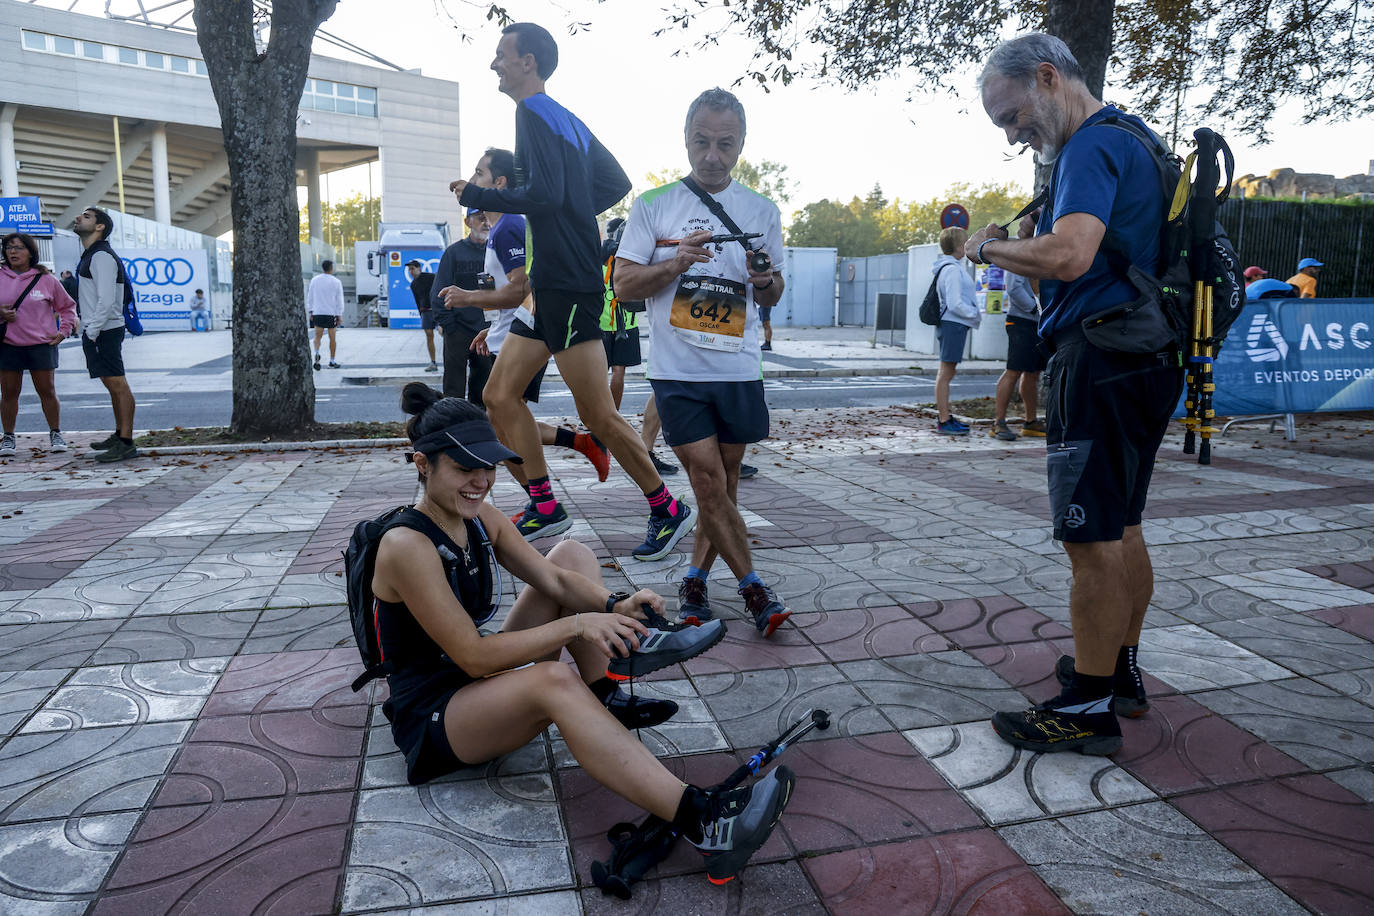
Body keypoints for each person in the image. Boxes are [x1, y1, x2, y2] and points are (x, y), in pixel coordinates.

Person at [372, 383, 793, 884]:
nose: (480, 481)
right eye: (465, 468)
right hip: (437, 716)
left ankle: (604, 698)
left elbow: (551, 579)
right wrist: (578, 624)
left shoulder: (479, 515)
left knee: (571, 554)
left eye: (488, 466)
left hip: (473, 685)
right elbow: (473, 658)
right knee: (553, 682)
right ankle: (707, 824)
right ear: (423, 465)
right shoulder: (405, 544)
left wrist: (615, 604)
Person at [966, 33, 1187, 755]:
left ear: (1049, 77)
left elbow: (1070, 255)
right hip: (1148, 352)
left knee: (1088, 538)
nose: (1012, 133)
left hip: (1099, 358)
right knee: (1122, 527)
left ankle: (1086, 710)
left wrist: (986, 249)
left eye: (1012, 114)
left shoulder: (1090, 147)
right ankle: (1117, 672)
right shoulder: (1138, 139)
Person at [452, 22, 694, 562]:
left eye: (501, 55)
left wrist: (480, 193)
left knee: (599, 415)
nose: (494, 64)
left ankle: (667, 508)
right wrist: (570, 216)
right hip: (551, 285)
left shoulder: (531, 112)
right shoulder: (567, 120)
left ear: (528, 62)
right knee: (497, 396)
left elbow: (546, 192)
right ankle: (544, 503)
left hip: (567, 281)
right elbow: (613, 182)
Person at [613, 88, 791, 637]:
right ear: (686, 139)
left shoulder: (762, 211)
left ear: (741, 145)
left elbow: (773, 293)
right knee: (710, 485)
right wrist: (675, 262)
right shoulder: (654, 205)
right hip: (678, 373)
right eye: (702, 142)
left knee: (726, 485)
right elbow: (622, 286)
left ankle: (694, 578)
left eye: (725, 144)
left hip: (737, 370)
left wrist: (763, 279)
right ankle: (754, 588)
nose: (712, 155)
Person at [453, 148, 608, 537]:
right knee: (498, 416)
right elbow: (512, 292)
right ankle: (546, 495)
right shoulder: (498, 228)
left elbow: (520, 287)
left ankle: (547, 501)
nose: (472, 178)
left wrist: (469, 298)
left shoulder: (509, 226)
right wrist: (493, 326)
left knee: (502, 414)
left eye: (479, 172)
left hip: (530, 332)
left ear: (500, 184)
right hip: (511, 332)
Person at [0, 233, 77, 457]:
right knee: (9, 393)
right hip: (8, 344)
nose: (13, 252)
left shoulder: (46, 279)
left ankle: (55, 433)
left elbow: (67, 307)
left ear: (31, 252)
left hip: (41, 345)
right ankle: (8, 437)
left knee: (47, 391)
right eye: (9, 248)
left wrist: (64, 331)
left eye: (19, 248)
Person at [73, 207, 138, 463]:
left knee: (118, 385)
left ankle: (126, 442)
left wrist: (92, 329)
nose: (79, 218)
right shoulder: (93, 255)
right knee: (113, 386)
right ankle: (120, 434)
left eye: (87, 216)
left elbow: (107, 299)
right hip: (101, 329)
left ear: (100, 227)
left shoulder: (101, 256)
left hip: (104, 330)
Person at [433, 209, 495, 405]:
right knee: (453, 388)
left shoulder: (494, 252)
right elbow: (438, 292)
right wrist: (449, 326)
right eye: (479, 218)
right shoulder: (453, 253)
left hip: (487, 331)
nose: (485, 223)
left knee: (484, 386)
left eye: (487, 218)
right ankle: (454, 426)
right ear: (468, 222)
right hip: (458, 330)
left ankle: (479, 427)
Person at [932, 226, 980, 435]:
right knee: (946, 373)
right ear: (960, 246)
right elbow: (954, 303)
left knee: (946, 372)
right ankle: (944, 419)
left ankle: (945, 417)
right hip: (953, 324)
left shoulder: (950, 267)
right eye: (966, 242)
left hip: (953, 324)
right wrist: (974, 314)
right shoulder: (951, 269)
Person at [990, 268, 1046, 441]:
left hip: (1038, 322)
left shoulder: (1042, 251)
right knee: (1013, 370)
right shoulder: (1021, 254)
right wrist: (1034, 308)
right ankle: (998, 422)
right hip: (1021, 321)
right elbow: (1014, 288)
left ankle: (1030, 422)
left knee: (1033, 373)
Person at [307, 259, 345, 370]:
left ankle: (317, 353)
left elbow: (310, 297)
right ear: (331, 268)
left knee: (317, 336)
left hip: (318, 312)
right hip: (331, 313)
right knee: (332, 338)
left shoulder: (314, 280)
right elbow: (339, 299)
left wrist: (311, 311)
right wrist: (339, 314)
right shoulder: (336, 282)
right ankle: (332, 361)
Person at [406, 260, 439, 372]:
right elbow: (417, 300)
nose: (411, 271)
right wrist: (421, 313)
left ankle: (453, 358)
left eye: (412, 268)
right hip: (425, 311)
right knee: (429, 335)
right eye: (409, 269)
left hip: (437, 310)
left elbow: (440, 288)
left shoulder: (430, 277)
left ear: (419, 268)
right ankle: (433, 362)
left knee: (443, 332)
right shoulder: (413, 284)